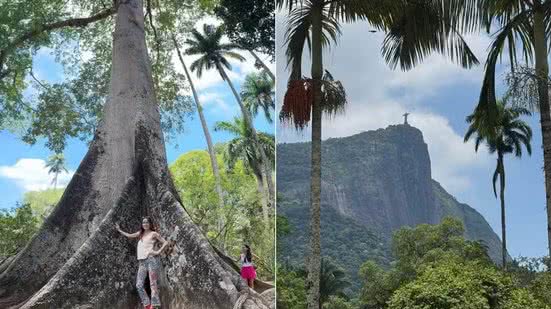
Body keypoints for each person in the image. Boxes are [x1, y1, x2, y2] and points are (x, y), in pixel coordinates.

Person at [116, 217, 168, 309]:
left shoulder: (153, 234)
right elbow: (129, 235)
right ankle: (147, 304)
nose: (145, 224)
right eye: (143, 222)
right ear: (142, 224)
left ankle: (155, 305)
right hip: (142, 262)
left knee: (153, 283)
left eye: (147, 222)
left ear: (150, 224)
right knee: (139, 285)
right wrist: (119, 230)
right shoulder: (140, 234)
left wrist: (157, 252)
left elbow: (165, 243)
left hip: (151, 260)